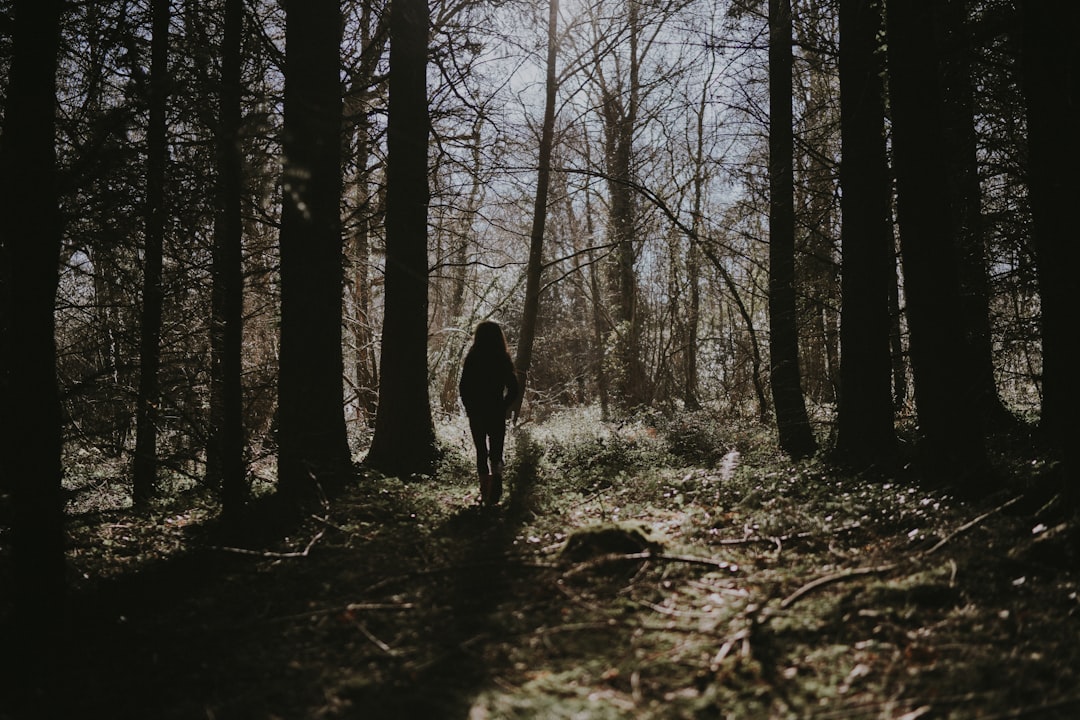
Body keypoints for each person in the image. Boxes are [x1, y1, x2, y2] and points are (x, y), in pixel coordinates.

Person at [459, 321, 519, 505]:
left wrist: (470, 407)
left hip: (477, 412)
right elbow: (514, 388)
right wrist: (503, 406)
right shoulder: (502, 357)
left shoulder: (473, 357)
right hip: (495, 411)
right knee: (496, 451)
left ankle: (486, 491)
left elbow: (464, 387)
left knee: (481, 452)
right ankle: (496, 485)